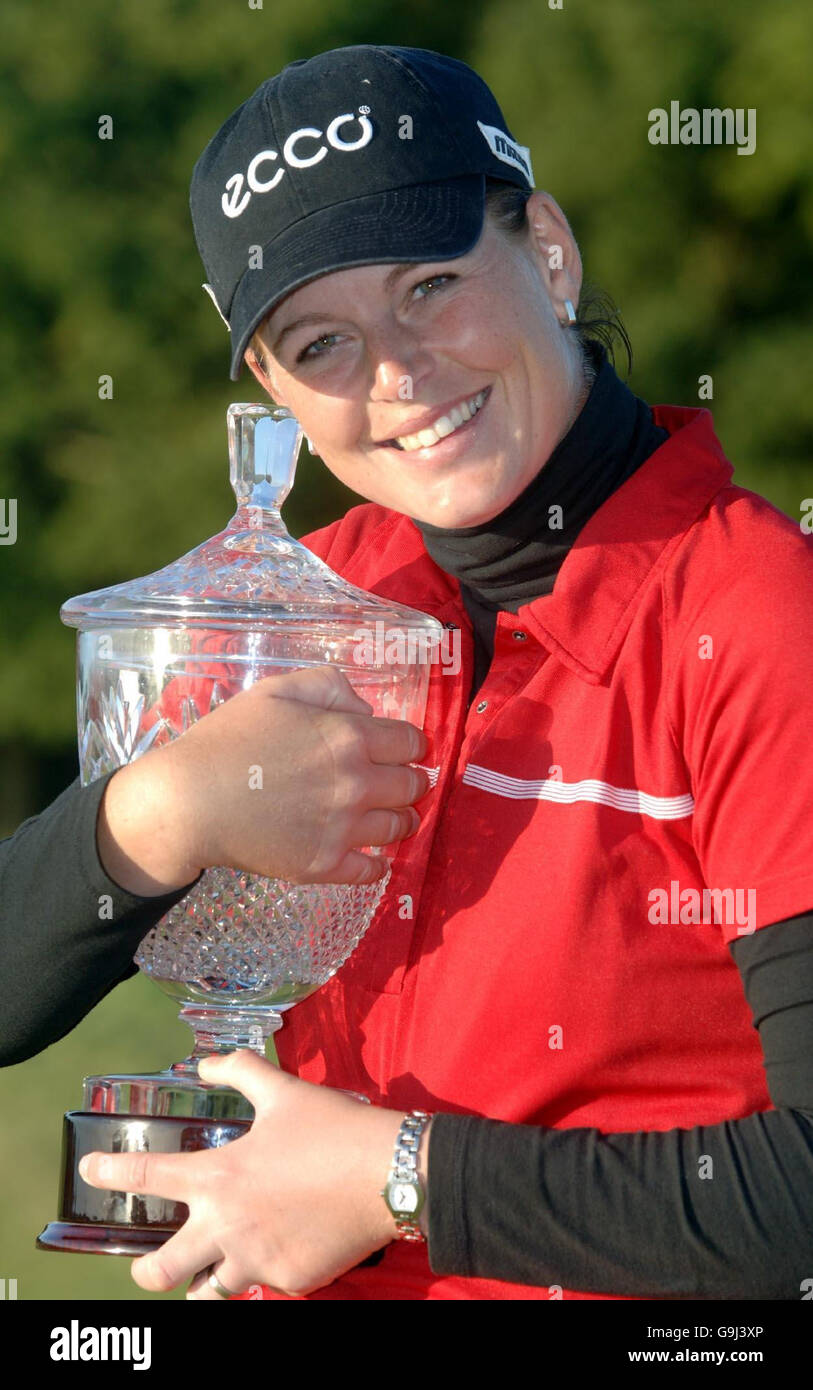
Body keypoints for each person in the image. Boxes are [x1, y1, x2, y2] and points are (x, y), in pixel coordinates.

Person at [3, 43, 813, 1302]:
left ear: (547, 246)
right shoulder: (289, 613)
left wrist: (398, 1177)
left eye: (432, 284)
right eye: (320, 342)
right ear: (272, 390)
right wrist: (153, 816)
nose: (396, 372)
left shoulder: (756, 611)